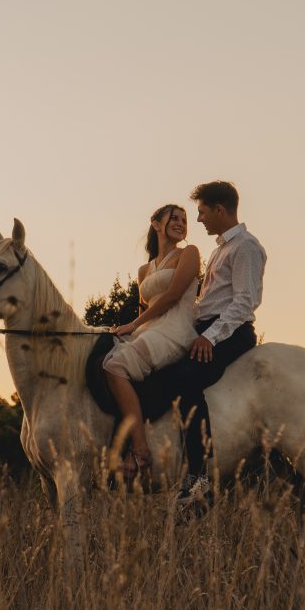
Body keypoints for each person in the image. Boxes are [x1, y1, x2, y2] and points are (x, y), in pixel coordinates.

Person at [147, 181, 266, 508]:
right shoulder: (219, 249)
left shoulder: (246, 247)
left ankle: (200, 475)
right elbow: (205, 301)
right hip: (205, 326)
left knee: (186, 377)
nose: (197, 220)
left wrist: (209, 337)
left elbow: (244, 303)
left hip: (231, 333)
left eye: (201, 212)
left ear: (219, 209)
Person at [103, 204, 201, 480]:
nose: (182, 223)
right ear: (156, 224)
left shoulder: (189, 253)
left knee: (115, 367)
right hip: (149, 330)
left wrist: (133, 326)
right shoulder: (144, 270)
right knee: (104, 355)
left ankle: (140, 449)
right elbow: (143, 310)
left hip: (175, 330)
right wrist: (127, 330)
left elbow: (172, 296)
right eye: (175, 218)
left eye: (184, 219)